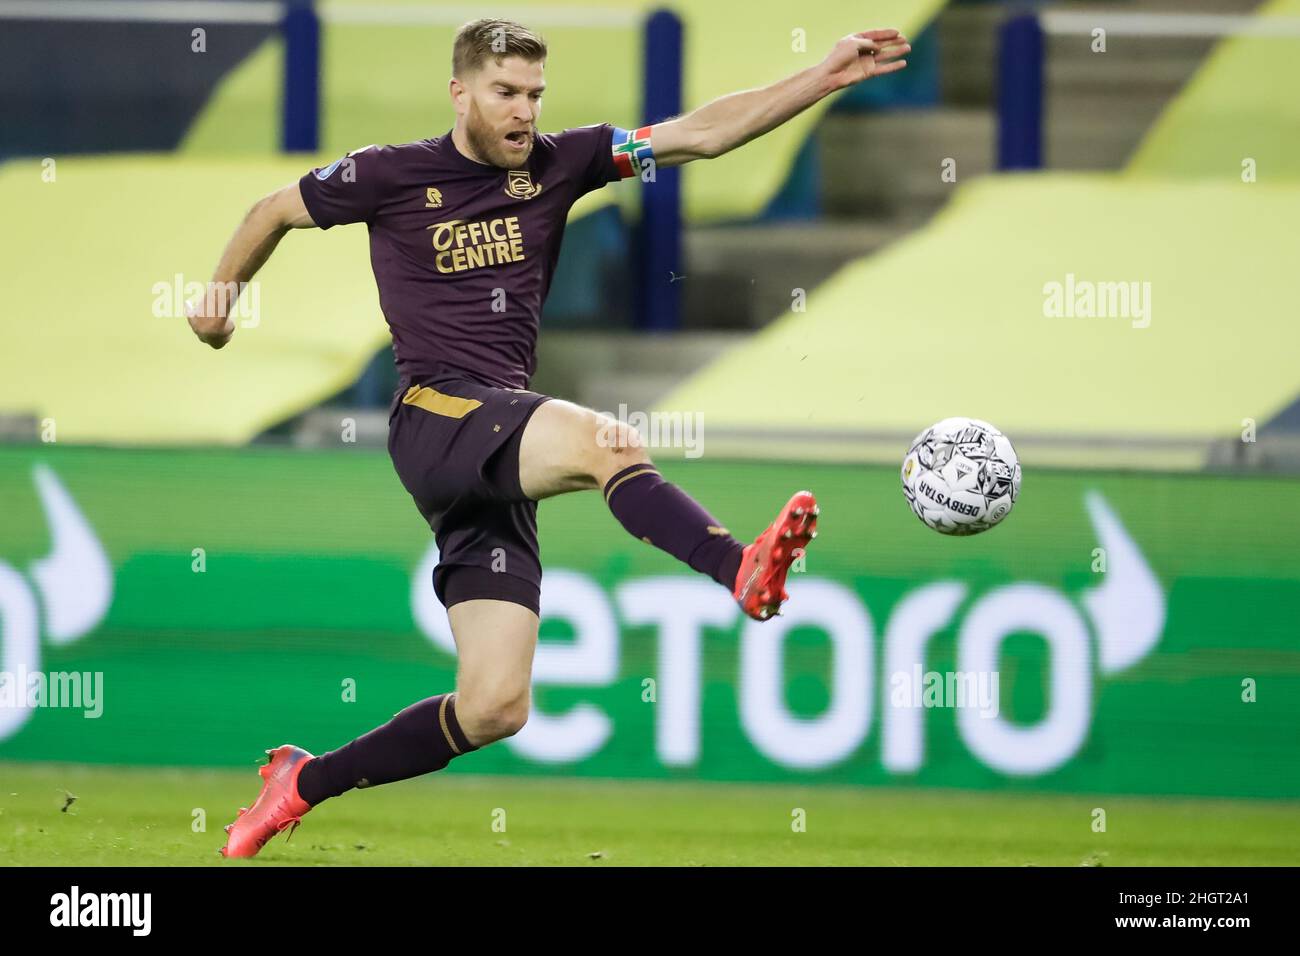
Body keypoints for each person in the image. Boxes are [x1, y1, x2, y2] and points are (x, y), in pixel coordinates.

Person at [189, 17, 909, 858]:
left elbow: (704, 134)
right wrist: (218, 296)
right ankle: (737, 567)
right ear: (460, 92)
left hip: (496, 447)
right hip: (436, 416)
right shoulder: (388, 174)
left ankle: (300, 784)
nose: (524, 111)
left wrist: (822, 77)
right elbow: (272, 208)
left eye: (535, 93)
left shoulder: (562, 162)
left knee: (495, 705)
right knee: (609, 444)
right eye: (506, 93)